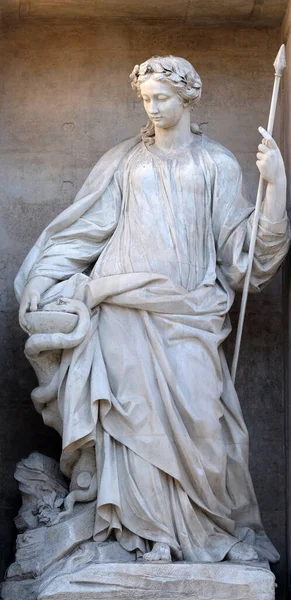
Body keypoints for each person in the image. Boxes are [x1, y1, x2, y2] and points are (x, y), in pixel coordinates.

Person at [15, 56, 290, 563]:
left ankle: (199, 532)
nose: (153, 107)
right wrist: (41, 276)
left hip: (190, 311)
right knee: (131, 422)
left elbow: (245, 255)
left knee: (204, 420)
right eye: (146, 99)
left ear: (189, 99)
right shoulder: (126, 160)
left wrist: (275, 188)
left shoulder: (217, 163)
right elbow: (84, 229)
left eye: (162, 97)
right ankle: (141, 536)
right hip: (122, 305)